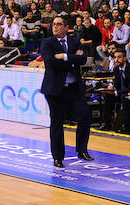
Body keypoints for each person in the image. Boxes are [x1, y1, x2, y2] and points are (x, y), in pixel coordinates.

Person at [39, 16, 94, 168]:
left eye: (59, 24)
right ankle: (58, 157)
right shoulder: (47, 42)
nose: (55, 27)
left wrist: (64, 57)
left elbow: (83, 59)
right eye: (54, 24)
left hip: (74, 89)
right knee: (57, 123)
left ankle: (82, 150)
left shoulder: (74, 40)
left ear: (66, 27)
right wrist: (72, 61)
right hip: (55, 90)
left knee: (85, 117)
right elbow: (51, 62)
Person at [101, 49, 130, 132]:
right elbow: (117, 85)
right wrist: (112, 88)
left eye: (119, 57)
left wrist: (116, 92)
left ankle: (126, 126)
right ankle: (106, 124)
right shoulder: (116, 69)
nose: (116, 59)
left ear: (125, 58)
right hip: (121, 92)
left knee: (124, 97)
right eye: (115, 57)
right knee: (108, 96)